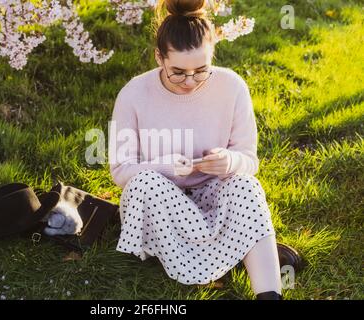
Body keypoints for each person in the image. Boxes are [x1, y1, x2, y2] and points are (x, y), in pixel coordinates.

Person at [108, 0, 299, 300]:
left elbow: (249, 161)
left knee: (246, 186)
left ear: (213, 56)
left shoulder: (232, 87)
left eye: (201, 71)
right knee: (144, 183)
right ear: (159, 57)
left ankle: (269, 294)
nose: (190, 81)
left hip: (213, 194)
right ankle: (238, 250)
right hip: (161, 201)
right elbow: (121, 171)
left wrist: (229, 162)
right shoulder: (133, 94)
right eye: (178, 72)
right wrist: (165, 167)